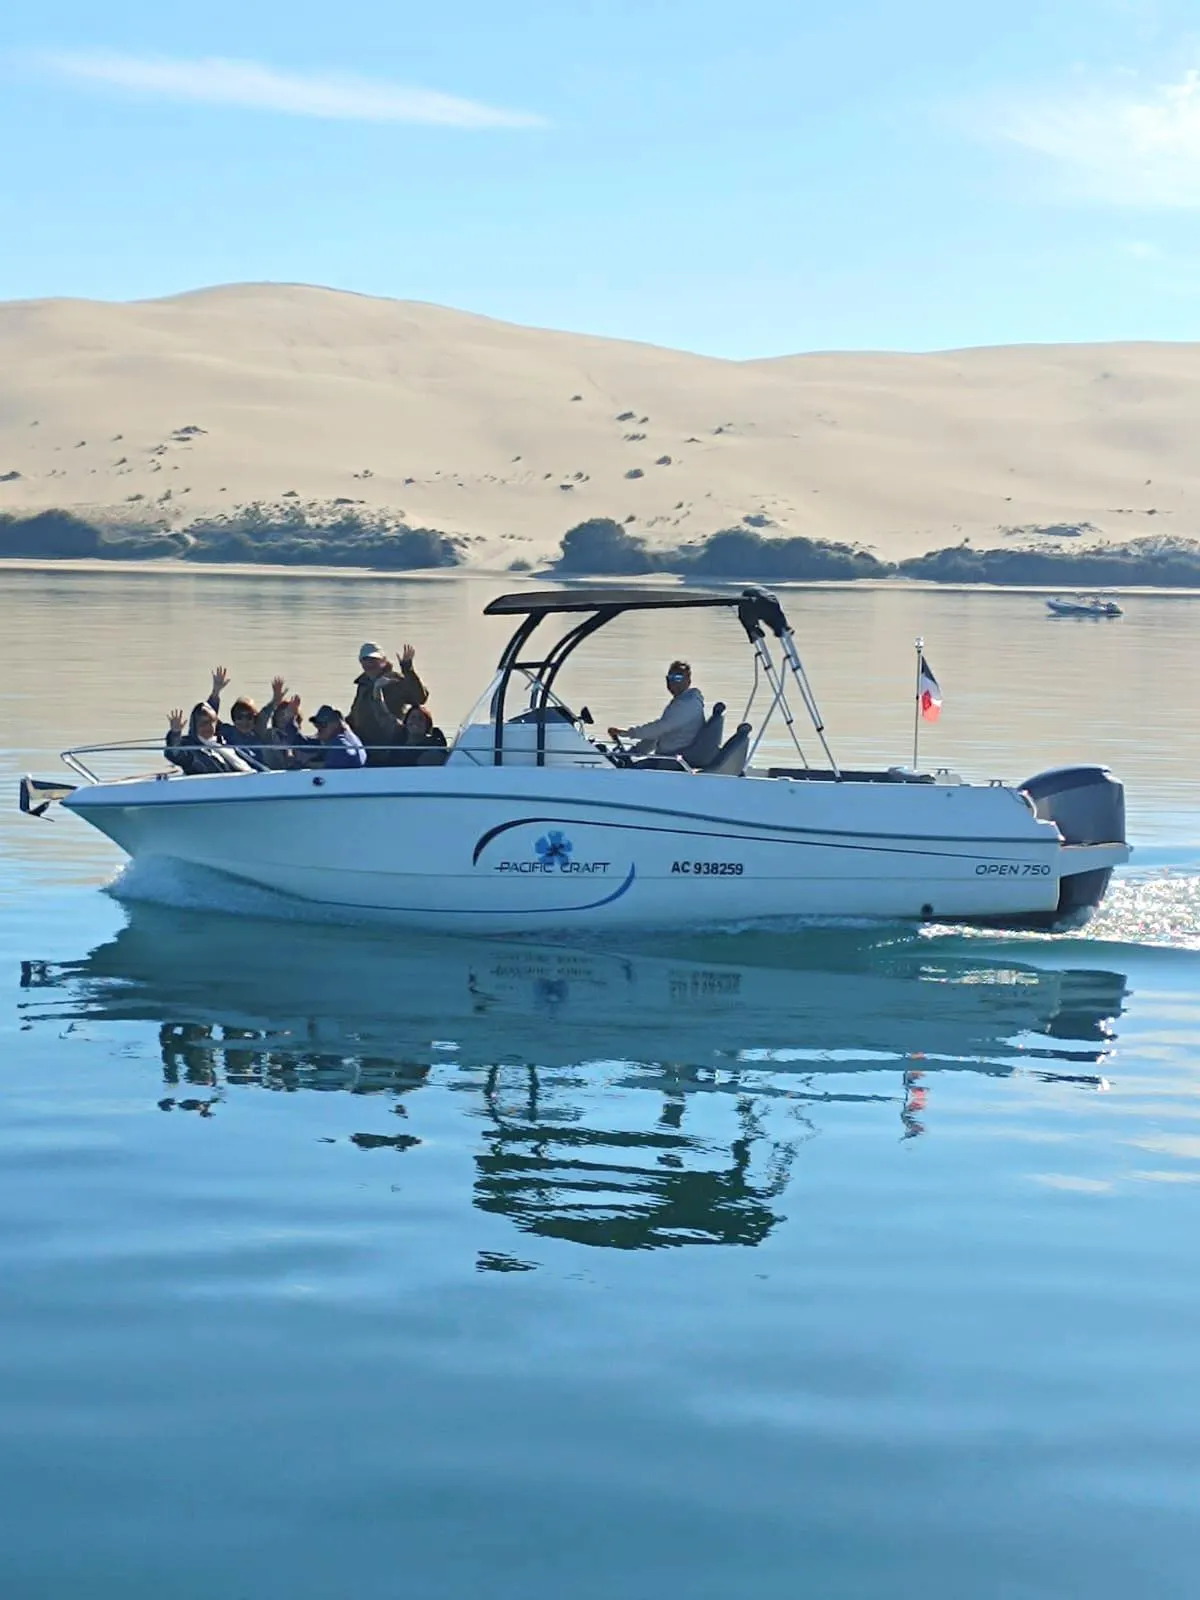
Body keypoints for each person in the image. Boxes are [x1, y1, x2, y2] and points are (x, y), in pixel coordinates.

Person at [348, 642, 427, 761]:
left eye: (374, 660)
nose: (369, 664)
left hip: (388, 746)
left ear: (384, 661)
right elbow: (355, 714)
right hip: (365, 745)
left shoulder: (395, 680)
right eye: (365, 660)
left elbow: (420, 698)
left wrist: (408, 669)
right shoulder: (363, 684)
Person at [608, 660, 705, 758]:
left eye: (678, 678)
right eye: (670, 678)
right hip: (668, 755)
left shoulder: (686, 704)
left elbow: (659, 728)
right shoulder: (683, 701)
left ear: (688, 681)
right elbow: (659, 734)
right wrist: (636, 751)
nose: (672, 682)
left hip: (673, 758)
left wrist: (628, 733)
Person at [208, 667, 289, 764]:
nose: (244, 722)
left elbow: (264, 715)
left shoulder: (258, 732)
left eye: (249, 717)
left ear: (254, 719)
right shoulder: (228, 732)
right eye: (239, 717)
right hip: (235, 771)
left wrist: (275, 702)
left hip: (259, 773)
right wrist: (215, 692)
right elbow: (208, 717)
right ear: (233, 719)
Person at [165, 702, 263, 775]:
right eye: (203, 723)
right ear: (194, 726)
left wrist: (216, 692)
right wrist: (175, 733)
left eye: (211, 722)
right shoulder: (191, 747)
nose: (208, 727)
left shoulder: (223, 742)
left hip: (244, 783)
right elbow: (175, 753)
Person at [280, 701, 367, 769]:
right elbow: (301, 743)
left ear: (336, 724)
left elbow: (348, 757)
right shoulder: (330, 739)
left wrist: (314, 765)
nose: (319, 729)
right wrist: (291, 719)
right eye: (317, 725)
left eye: (323, 725)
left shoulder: (340, 741)